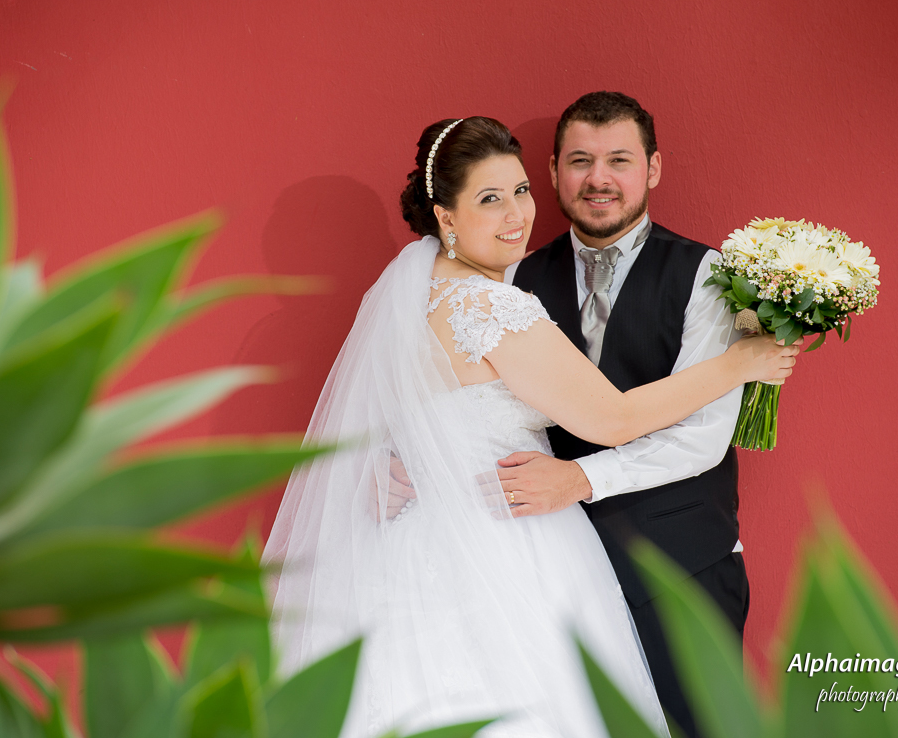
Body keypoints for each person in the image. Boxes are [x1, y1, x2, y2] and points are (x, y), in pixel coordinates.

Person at [262, 116, 798, 738]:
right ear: (446, 217)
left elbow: (400, 414)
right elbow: (612, 418)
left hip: (413, 545)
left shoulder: (408, 299)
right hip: (505, 542)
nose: (516, 213)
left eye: (519, 191)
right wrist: (739, 363)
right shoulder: (490, 304)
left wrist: (382, 463)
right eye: (490, 199)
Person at [501, 91, 782, 738]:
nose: (598, 178)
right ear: (553, 171)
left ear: (653, 168)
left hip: (683, 564)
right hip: (553, 568)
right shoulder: (515, 279)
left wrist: (580, 478)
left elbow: (702, 438)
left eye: (619, 160)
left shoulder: (709, 276)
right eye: (580, 161)